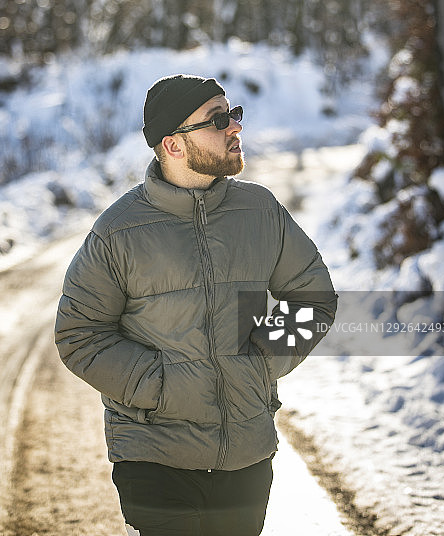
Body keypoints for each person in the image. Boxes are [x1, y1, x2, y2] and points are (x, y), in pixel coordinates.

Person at [55, 73, 337, 536]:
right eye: (217, 119)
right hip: (155, 457)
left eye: (233, 114)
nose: (235, 127)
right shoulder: (118, 231)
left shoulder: (260, 211)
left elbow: (312, 297)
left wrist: (263, 359)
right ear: (173, 145)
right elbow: (80, 335)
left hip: (246, 456)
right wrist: (159, 387)